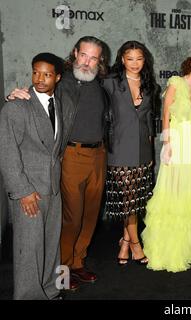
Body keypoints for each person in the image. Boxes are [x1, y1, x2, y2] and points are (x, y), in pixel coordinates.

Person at [7, 36, 111, 290]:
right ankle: (62, 275)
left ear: (100, 61)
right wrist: (15, 94)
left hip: (99, 155)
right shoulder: (61, 80)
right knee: (71, 219)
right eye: (83, 55)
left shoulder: (101, 83)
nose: (87, 62)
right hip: (72, 156)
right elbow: (38, 91)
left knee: (89, 217)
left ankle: (77, 263)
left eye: (93, 58)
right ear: (75, 53)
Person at [141, 50, 191, 272]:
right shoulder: (177, 83)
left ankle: (184, 248)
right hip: (177, 144)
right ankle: (165, 250)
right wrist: (167, 143)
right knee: (172, 193)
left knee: (189, 195)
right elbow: (165, 115)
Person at [0, 53, 63, 299]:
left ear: (57, 77)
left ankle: (51, 291)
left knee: (50, 247)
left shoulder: (59, 103)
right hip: (28, 190)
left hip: (53, 189)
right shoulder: (16, 106)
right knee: (29, 250)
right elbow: (6, 151)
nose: (40, 79)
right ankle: (28, 296)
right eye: (36, 72)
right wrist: (22, 191)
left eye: (47, 74)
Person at [102, 41, 159, 265]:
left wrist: (150, 149)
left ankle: (124, 242)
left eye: (139, 58)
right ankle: (136, 243)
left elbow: (148, 119)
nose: (135, 63)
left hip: (143, 151)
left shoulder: (149, 84)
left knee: (135, 199)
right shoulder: (110, 83)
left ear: (145, 60)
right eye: (130, 58)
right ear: (122, 60)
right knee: (128, 199)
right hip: (119, 148)